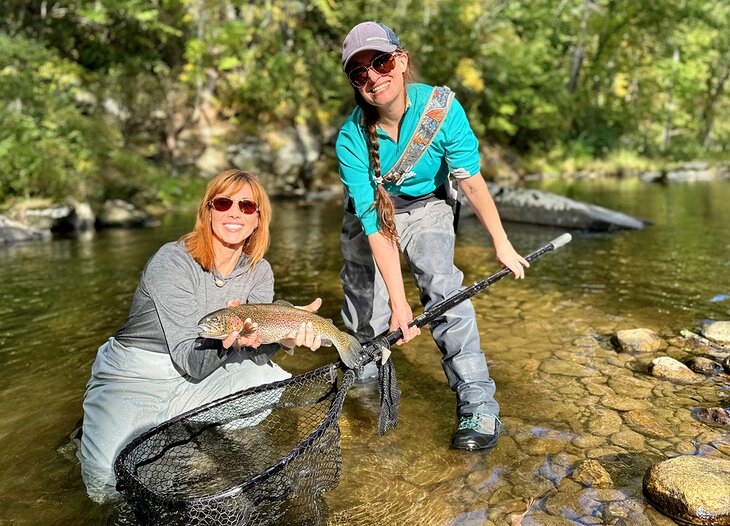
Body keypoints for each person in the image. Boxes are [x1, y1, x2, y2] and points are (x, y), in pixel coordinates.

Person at [336, 22, 529, 451]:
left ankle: (478, 403)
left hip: (428, 206)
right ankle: (366, 391)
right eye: (359, 72)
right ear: (354, 83)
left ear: (401, 61)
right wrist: (399, 303)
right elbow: (374, 224)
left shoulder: (442, 110)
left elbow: (473, 184)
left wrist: (501, 241)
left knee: (444, 292)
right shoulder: (350, 140)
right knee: (367, 307)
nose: (373, 76)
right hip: (368, 220)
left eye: (381, 61)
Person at [78, 169, 323, 502]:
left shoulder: (258, 271)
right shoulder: (172, 262)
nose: (234, 212)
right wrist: (229, 343)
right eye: (223, 203)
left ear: (257, 220)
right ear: (208, 212)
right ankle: (95, 428)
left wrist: (284, 339)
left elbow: (254, 350)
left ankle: (189, 433)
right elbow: (191, 359)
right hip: (136, 373)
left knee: (262, 378)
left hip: (201, 373)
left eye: (247, 206)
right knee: (107, 488)